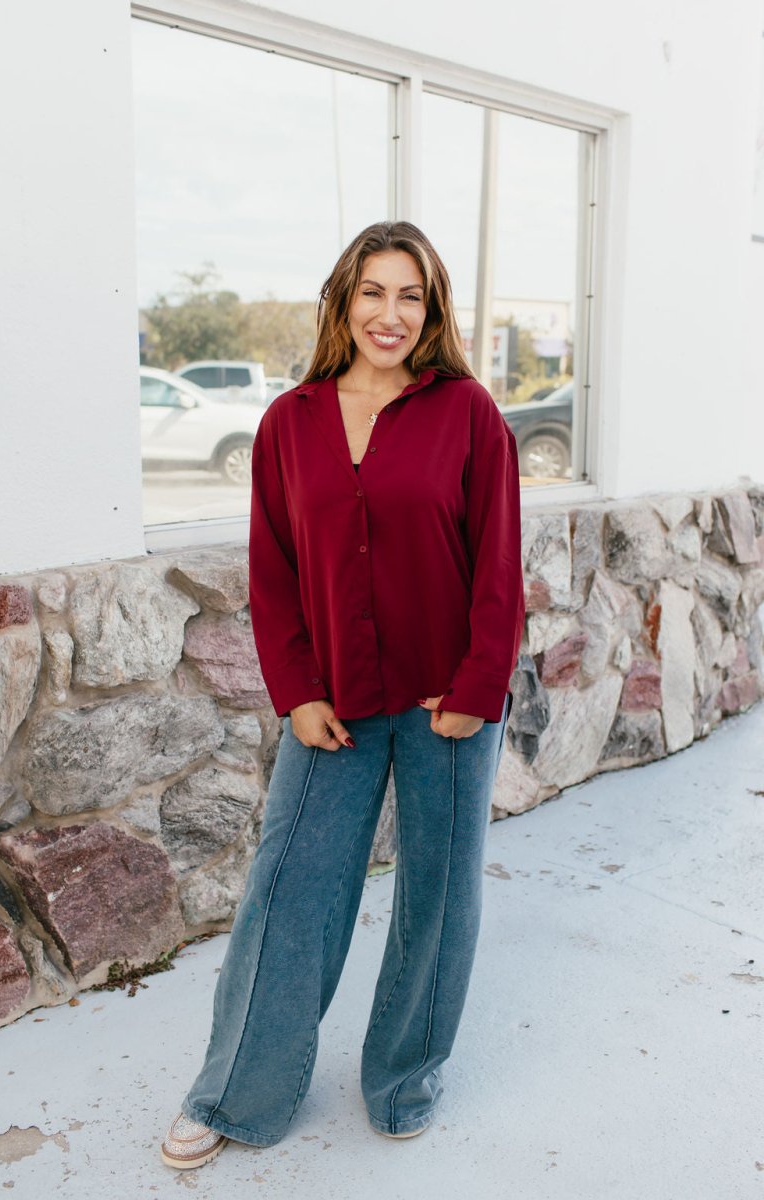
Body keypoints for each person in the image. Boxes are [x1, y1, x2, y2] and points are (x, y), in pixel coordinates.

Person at [160, 221, 525, 1170]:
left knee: (437, 898)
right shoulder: (290, 421)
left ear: (432, 309)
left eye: (410, 295)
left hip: (447, 697)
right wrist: (295, 690)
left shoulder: (467, 413)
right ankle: (237, 1092)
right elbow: (272, 569)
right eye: (373, 292)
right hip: (334, 702)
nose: (389, 314)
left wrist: (480, 685)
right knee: (288, 893)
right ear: (343, 301)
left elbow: (497, 562)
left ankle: (403, 1078)